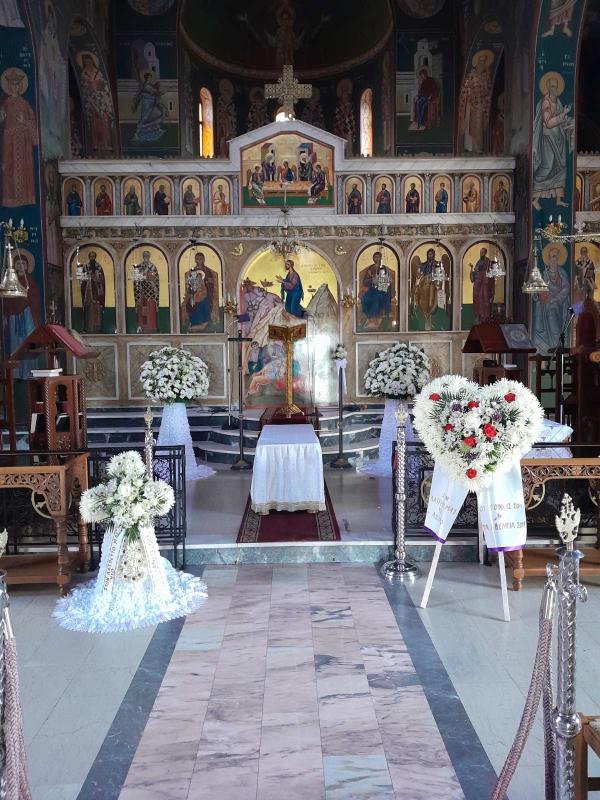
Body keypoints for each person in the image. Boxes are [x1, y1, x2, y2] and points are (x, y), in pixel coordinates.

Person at [532, 72, 573, 209]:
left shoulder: (558, 101)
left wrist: (568, 121)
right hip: (549, 139)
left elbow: (561, 120)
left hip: (559, 139)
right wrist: (563, 114)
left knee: (560, 168)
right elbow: (548, 123)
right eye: (552, 87)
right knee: (547, 166)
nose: (555, 89)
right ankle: (534, 197)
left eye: (556, 87)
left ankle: (558, 199)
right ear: (548, 88)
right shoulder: (546, 102)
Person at [0, 68, 37, 207]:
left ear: (20, 86)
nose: (14, 86)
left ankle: (25, 198)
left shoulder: (25, 104)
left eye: (17, 84)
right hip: (9, 141)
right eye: (12, 84)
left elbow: (32, 122)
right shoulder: (6, 103)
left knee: (23, 168)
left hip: (22, 141)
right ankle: (11, 199)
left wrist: (24, 122)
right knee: (8, 167)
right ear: (8, 86)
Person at [533, 244, 571, 354]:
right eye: (550, 257)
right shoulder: (544, 273)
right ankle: (550, 347)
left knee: (552, 311)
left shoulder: (562, 272)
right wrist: (539, 294)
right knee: (546, 308)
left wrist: (555, 299)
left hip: (558, 304)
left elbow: (566, 289)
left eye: (554, 257)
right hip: (546, 303)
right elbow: (538, 290)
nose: (552, 259)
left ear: (558, 258)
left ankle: (557, 346)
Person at [457, 52, 493, 154]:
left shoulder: (487, 76)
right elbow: (465, 89)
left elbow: (489, 90)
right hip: (471, 104)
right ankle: (469, 147)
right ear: (477, 61)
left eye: (484, 61)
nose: (482, 63)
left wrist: (486, 100)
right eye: (480, 60)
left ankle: (478, 148)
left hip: (482, 104)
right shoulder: (471, 75)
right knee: (471, 124)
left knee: (479, 125)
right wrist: (471, 98)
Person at [182, 252, 217, 333]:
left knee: (204, 306)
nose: (199, 260)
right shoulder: (193, 271)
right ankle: (193, 325)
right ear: (195, 260)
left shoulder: (207, 271)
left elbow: (210, 284)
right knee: (190, 305)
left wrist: (206, 282)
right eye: (197, 259)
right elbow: (189, 284)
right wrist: (192, 293)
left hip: (205, 295)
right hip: (194, 296)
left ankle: (197, 326)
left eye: (201, 259)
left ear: (204, 259)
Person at [359, 251, 393, 330]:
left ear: (381, 258)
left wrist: (387, 281)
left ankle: (374, 320)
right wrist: (372, 279)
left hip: (383, 290)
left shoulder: (384, 268)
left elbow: (388, 280)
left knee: (377, 297)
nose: (377, 259)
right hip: (372, 289)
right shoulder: (370, 269)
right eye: (375, 257)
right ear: (373, 258)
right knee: (365, 298)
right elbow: (365, 282)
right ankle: (370, 319)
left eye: (378, 257)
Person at [132, 72, 166, 142]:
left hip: (152, 102)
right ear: (146, 78)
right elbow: (154, 92)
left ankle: (156, 129)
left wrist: (158, 90)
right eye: (149, 77)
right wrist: (160, 92)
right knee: (145, 117)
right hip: (146, 103)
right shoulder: (146, 85)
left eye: (150, 77)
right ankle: (136, 133)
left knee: (154, 116)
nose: (150, 79)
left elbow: (155, 92)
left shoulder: (150, 85)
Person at [412, 248, 440, 331]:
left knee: (431, 300)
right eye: (429, 254)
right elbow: (419, 276)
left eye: (432, 254)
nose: (430, 256)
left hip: (433, 285)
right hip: (424, 284)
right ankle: (426, 319)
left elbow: (439, 276)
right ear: (427, 255)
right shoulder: (423, 265)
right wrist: (419, 274)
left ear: (434, 255)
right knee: (420, 295)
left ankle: (429, 318)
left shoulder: (437, 264)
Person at [80, 251, 105, 333]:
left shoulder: (99, 267)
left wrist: (97, 278)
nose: (92, 258)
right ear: (89, 257)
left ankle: (98, 328)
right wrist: (88, 278)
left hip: (97, 293)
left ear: (95, 257)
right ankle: (87, 327)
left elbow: (102, 280)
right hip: (88, 293)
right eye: (91, 256)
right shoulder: (86, 267)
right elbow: (82, 280)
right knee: (88, 309)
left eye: (93, 256)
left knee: (97, 308)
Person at [469, 247, 495, 323]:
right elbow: (475, 274)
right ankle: (478, 317)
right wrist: (472, 269)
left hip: (484, 285)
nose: (481, 254)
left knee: (485, 301)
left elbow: (488, 273)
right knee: (477, 301)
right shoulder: (479, 261)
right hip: (478, 285)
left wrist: (479, 272)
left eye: (482, 252)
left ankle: (485, 318)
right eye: (480, 252)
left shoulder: (487, 261)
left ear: (485, 253)